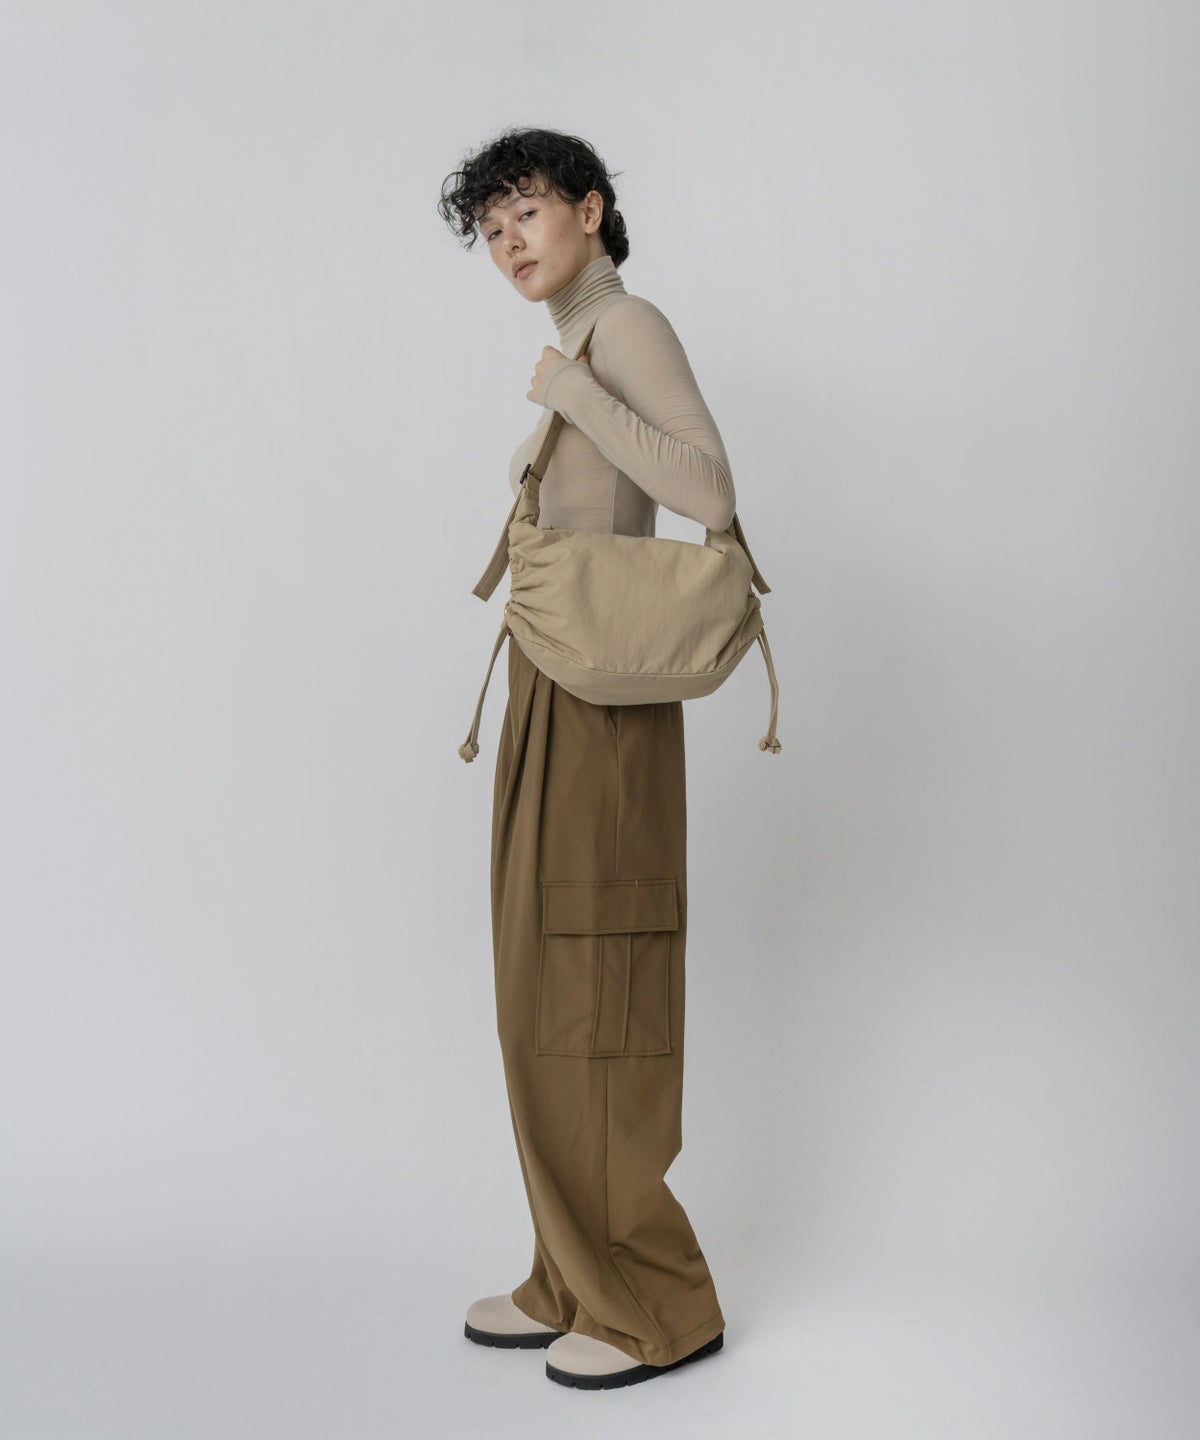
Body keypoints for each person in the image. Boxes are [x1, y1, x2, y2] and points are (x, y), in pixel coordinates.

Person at [438, 127, 733, 1391]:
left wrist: (574, 395)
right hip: (550, 689)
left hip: (607, 708)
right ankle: (569, 1270)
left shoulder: (627, 328)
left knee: (598, 994)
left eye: (529, 212)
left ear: (592, 211)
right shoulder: (581, 340)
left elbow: (709, 493)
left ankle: (653, 1304)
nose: (511, 241)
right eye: (492, 228)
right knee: (540, 990)